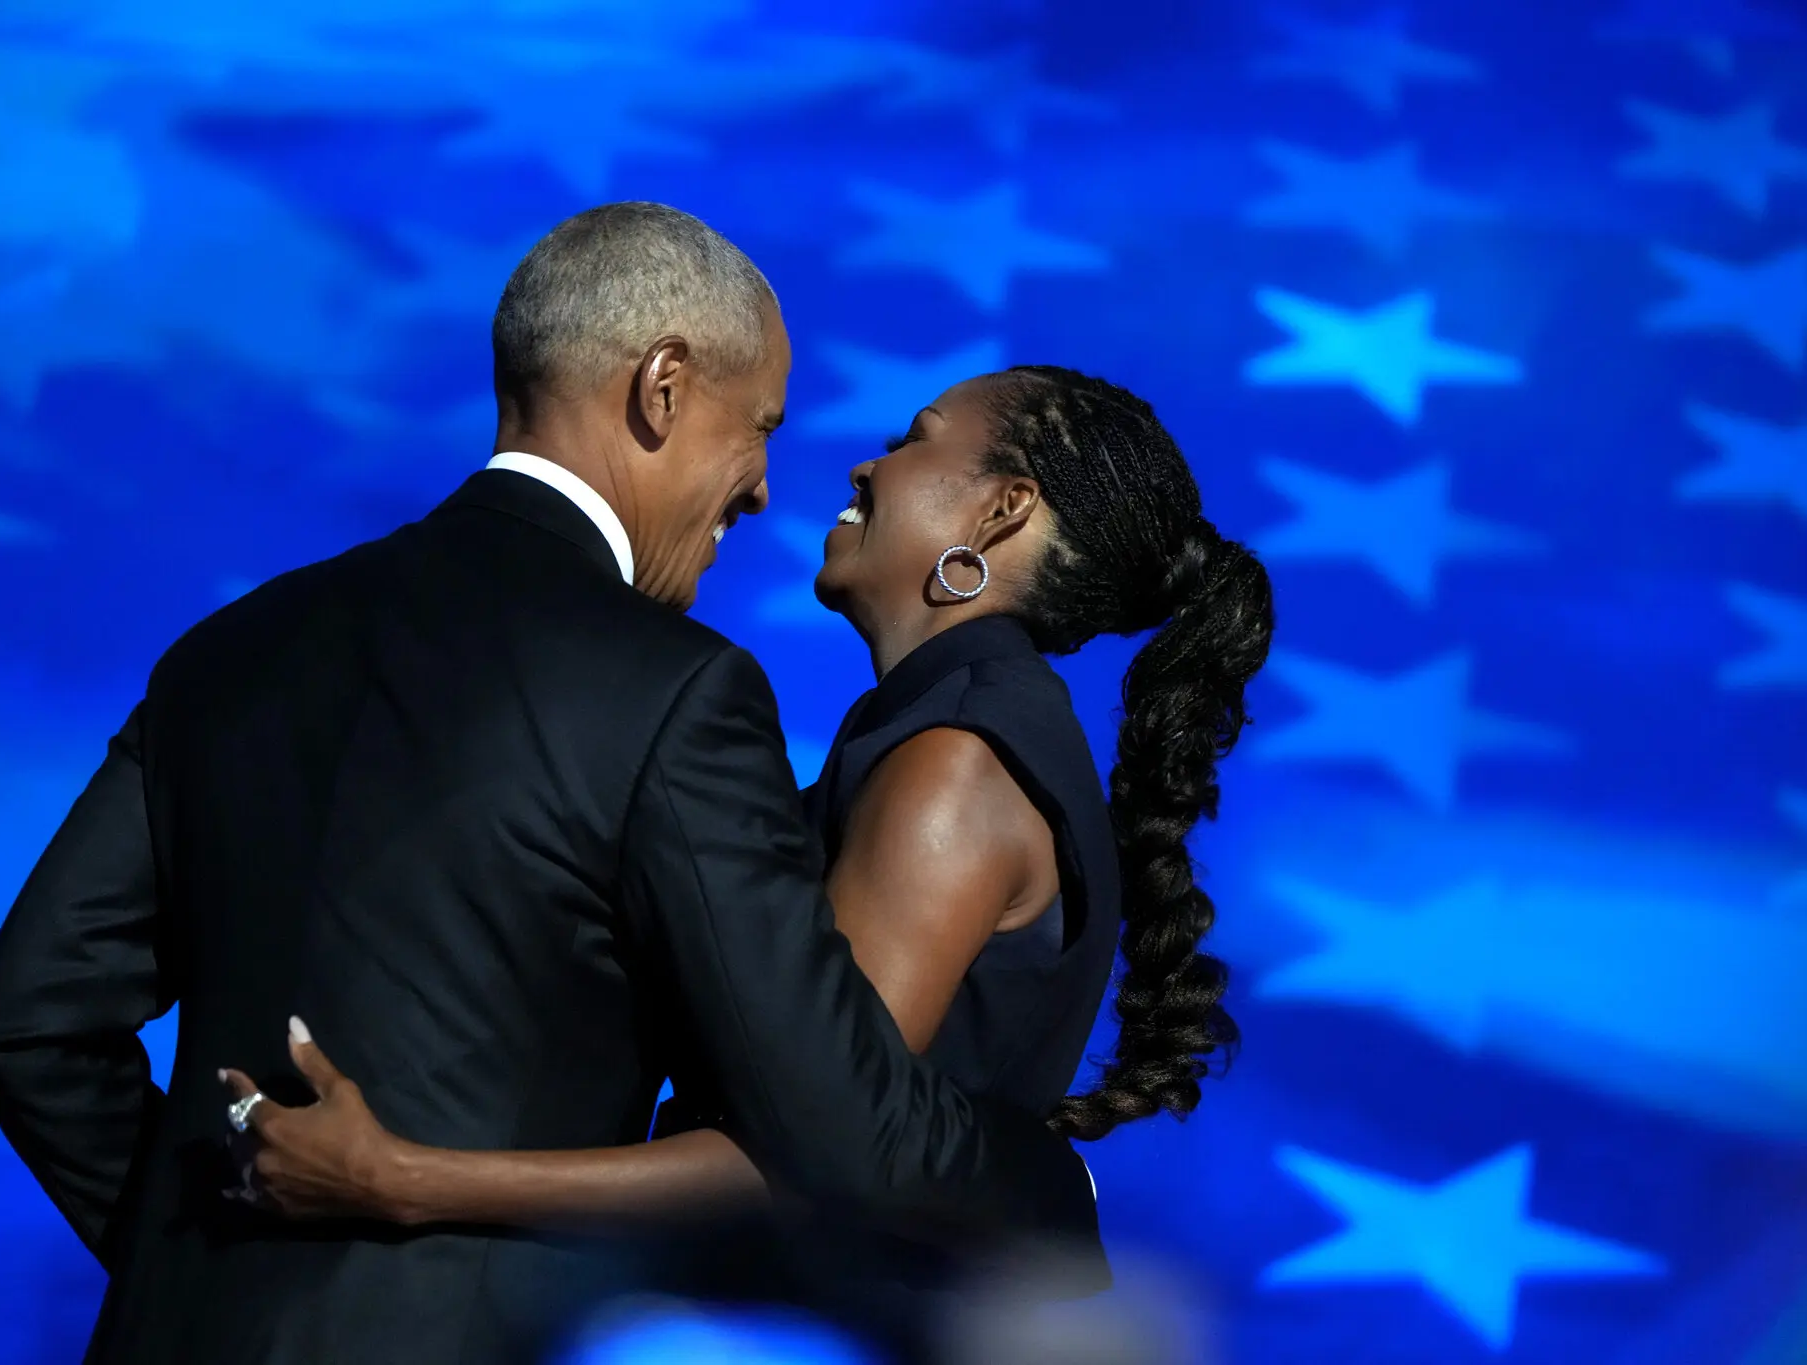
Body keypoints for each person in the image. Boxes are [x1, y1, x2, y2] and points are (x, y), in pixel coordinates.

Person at [0, 204, 1098, 1365]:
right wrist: (1040, 1175)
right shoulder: (675, 692)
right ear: (662, 390)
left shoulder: (227, 652)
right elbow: (835, 1121)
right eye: (757, 427)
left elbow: (29, 1023)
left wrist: (201, 1266)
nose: (759, 491)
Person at [218, 366, 1276, 1305]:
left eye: (914, 437)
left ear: (999, 513)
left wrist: (400, 1179)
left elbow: (824, 1146)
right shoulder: (944, 729)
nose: (867, 465)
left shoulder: (953, 761)